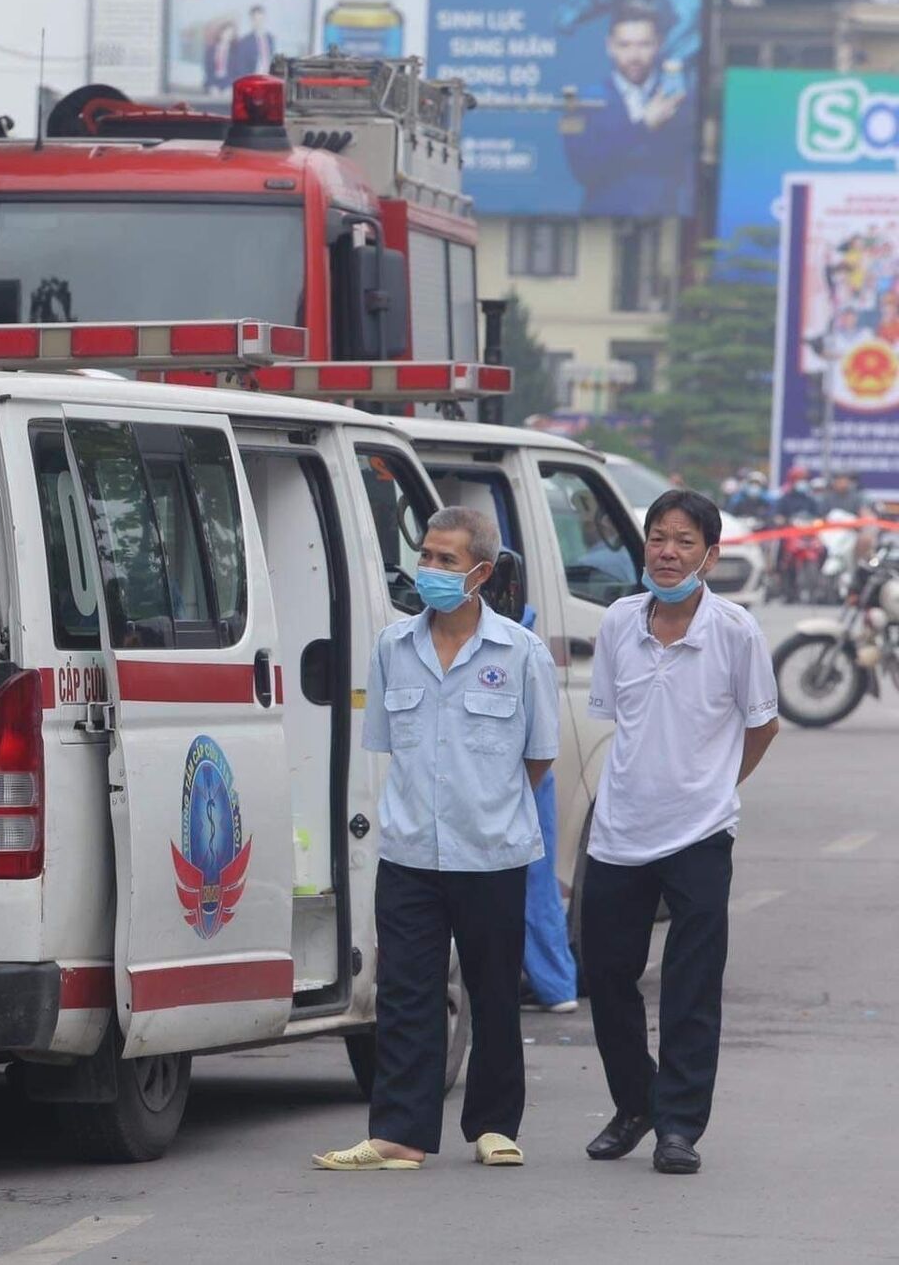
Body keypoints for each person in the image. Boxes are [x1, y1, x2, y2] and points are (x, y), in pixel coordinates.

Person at [315, 507, 558, 1172]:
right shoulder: (394, 647)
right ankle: (400, 1133)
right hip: (411, 853)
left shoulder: (520, 652)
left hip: (492, 851)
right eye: (426, 555)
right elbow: (388, 748)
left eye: (447, 561)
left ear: (480, 572)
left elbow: (538, 757)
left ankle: (493, 1127)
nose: (431, 570)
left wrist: (488, 807)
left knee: (494, 993)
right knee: (406, 996)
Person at [580, 489, 779, 1176]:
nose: (667, 552)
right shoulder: (617, 623)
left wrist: (718, 788)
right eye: (658, 538)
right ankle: (635, 1103)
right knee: (606, 974)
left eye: (683, 541)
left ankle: (680, 1127)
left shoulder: (735, 630)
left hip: (700, 834)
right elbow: (614, 716)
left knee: (691, 985)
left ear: (711, 555)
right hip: (619, 830)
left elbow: (763, 724)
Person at [562, 0, 694, 215]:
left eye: (644, 45)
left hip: (663, 218)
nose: (634, 56)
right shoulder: (581, 102)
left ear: (659, 44)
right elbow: (584, 170)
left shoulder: (680, 100)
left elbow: (685, 169)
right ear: (609, 46)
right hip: (600, 221)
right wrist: (643, 127)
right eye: (625, 45)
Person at [517, 605, 578, 1015]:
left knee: (532, 883)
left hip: (518, 780)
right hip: (525, 779)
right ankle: (554, 982)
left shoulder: (514, 642)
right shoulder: (524, 636)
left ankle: (554, 984)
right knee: (538, 883)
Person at [232, 4, 276, 76]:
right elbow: (241, 67)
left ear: (265, 19)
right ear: (251, 20)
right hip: (253, 79)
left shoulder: (270, 38)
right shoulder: (244, 41)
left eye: (261, 19)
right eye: (256, 19)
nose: (259, 22)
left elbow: (272, 61)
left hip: (269, 78)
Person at [201, 19, 239, 93]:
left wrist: (230, 85)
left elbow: (236, 72)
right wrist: (212, 85)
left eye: (230, 34)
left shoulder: (235, 52)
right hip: (213, 81)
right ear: (221, 33)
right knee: (214, 94)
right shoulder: (211, 49)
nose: (228, 36)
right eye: (226, 32)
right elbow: (207, 70)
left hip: (228, 82)